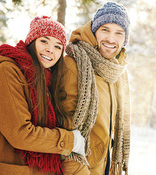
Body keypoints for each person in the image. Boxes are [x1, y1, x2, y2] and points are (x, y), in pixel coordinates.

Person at [0, 16, 86, 175]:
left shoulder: (46, 81)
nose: (50, 50)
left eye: (58, 46)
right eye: (44, 41)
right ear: (31, 42)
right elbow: (21, 134)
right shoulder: (6, 71)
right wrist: (70, 141)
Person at [58, 2, 131, 175]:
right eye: (105, 29)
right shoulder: (74, 64)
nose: (111, 39)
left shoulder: (115, 72)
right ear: (94, 30)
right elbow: (65, 129)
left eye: (119, 33)